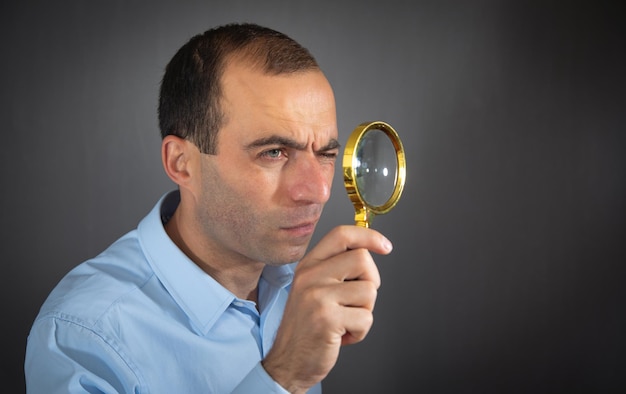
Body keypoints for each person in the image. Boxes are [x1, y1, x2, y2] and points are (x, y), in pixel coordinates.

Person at [25, 23, 393, 393]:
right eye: (273, 153)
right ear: (181, 162)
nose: (317, 191)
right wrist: (284, 375)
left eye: (326, 154)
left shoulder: (298, 288)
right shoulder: (82, 337)